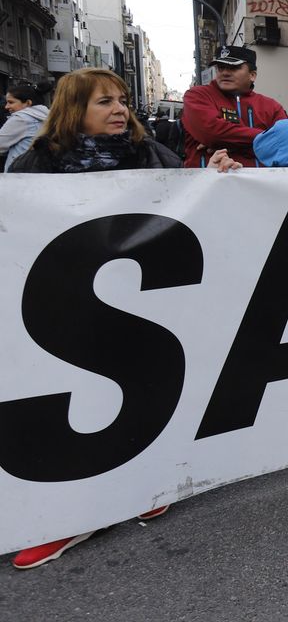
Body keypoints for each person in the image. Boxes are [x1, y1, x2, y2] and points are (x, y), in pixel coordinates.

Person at [7, 67, 238, 571]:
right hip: (64, 307)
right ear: (74, 110)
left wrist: (214, 178)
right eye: (104, 102)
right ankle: (65, 519)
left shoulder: (152, 154)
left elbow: (190, 206)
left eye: (122, 100)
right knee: (75, 408)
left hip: (144, 304)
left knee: (143, 396)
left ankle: (141, 486)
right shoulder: (33, 166)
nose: (119, 110)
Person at [181, 45, 287, 168]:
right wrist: (266, 138)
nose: (225, 72)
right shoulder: (197, 95)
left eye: (233, 67)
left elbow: (285, 145)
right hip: (209, 184)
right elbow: (213, 133)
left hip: (261, 184)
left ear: (252, 75)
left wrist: (226, 143)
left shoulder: (272, 106)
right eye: (221, 67)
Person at [1, 79, 53, 171]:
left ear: (28, 103)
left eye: (11, 102)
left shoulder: (21, 118)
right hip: (40, 172)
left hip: (18, 173)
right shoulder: (47, 116)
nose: (6, 107)